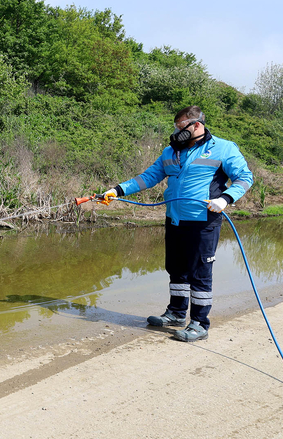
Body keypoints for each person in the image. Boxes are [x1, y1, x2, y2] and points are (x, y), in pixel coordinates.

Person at [103, 106, 254, 342]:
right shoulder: (171, 151)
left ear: (196, 124)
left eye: (181, 126)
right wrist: (117, 190)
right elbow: (149, 177)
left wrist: (225, 199)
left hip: (203, 221)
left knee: (200, 272)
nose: (177, 132)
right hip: (174, 218)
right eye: (175, 127)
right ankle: (175, 313)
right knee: (176, 268)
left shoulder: (223, 148)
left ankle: (200, 323)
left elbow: (245, 178)